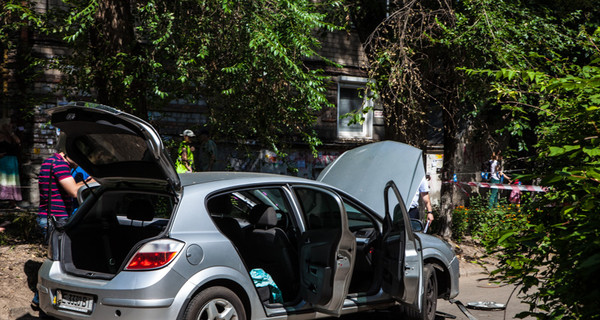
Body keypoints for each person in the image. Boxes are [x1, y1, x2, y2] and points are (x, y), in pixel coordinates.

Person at [33, 135, 93, 307]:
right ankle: (40, 299)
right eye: (80, 157)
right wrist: (94, 182)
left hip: (50, 217)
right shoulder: (59, 165)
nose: (81, 163)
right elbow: (74, 191)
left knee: (57, 260)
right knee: (58, 262)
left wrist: (84, 181)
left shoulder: (50, 161)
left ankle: (45, 298)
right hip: (55, 219)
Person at [0, 118, 22, 209]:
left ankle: (12, 202)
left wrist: (11, 133)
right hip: (3, 161)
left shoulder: (12, 136)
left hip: (12, 162)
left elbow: (18, 142)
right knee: (2, 180)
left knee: (12, 181)